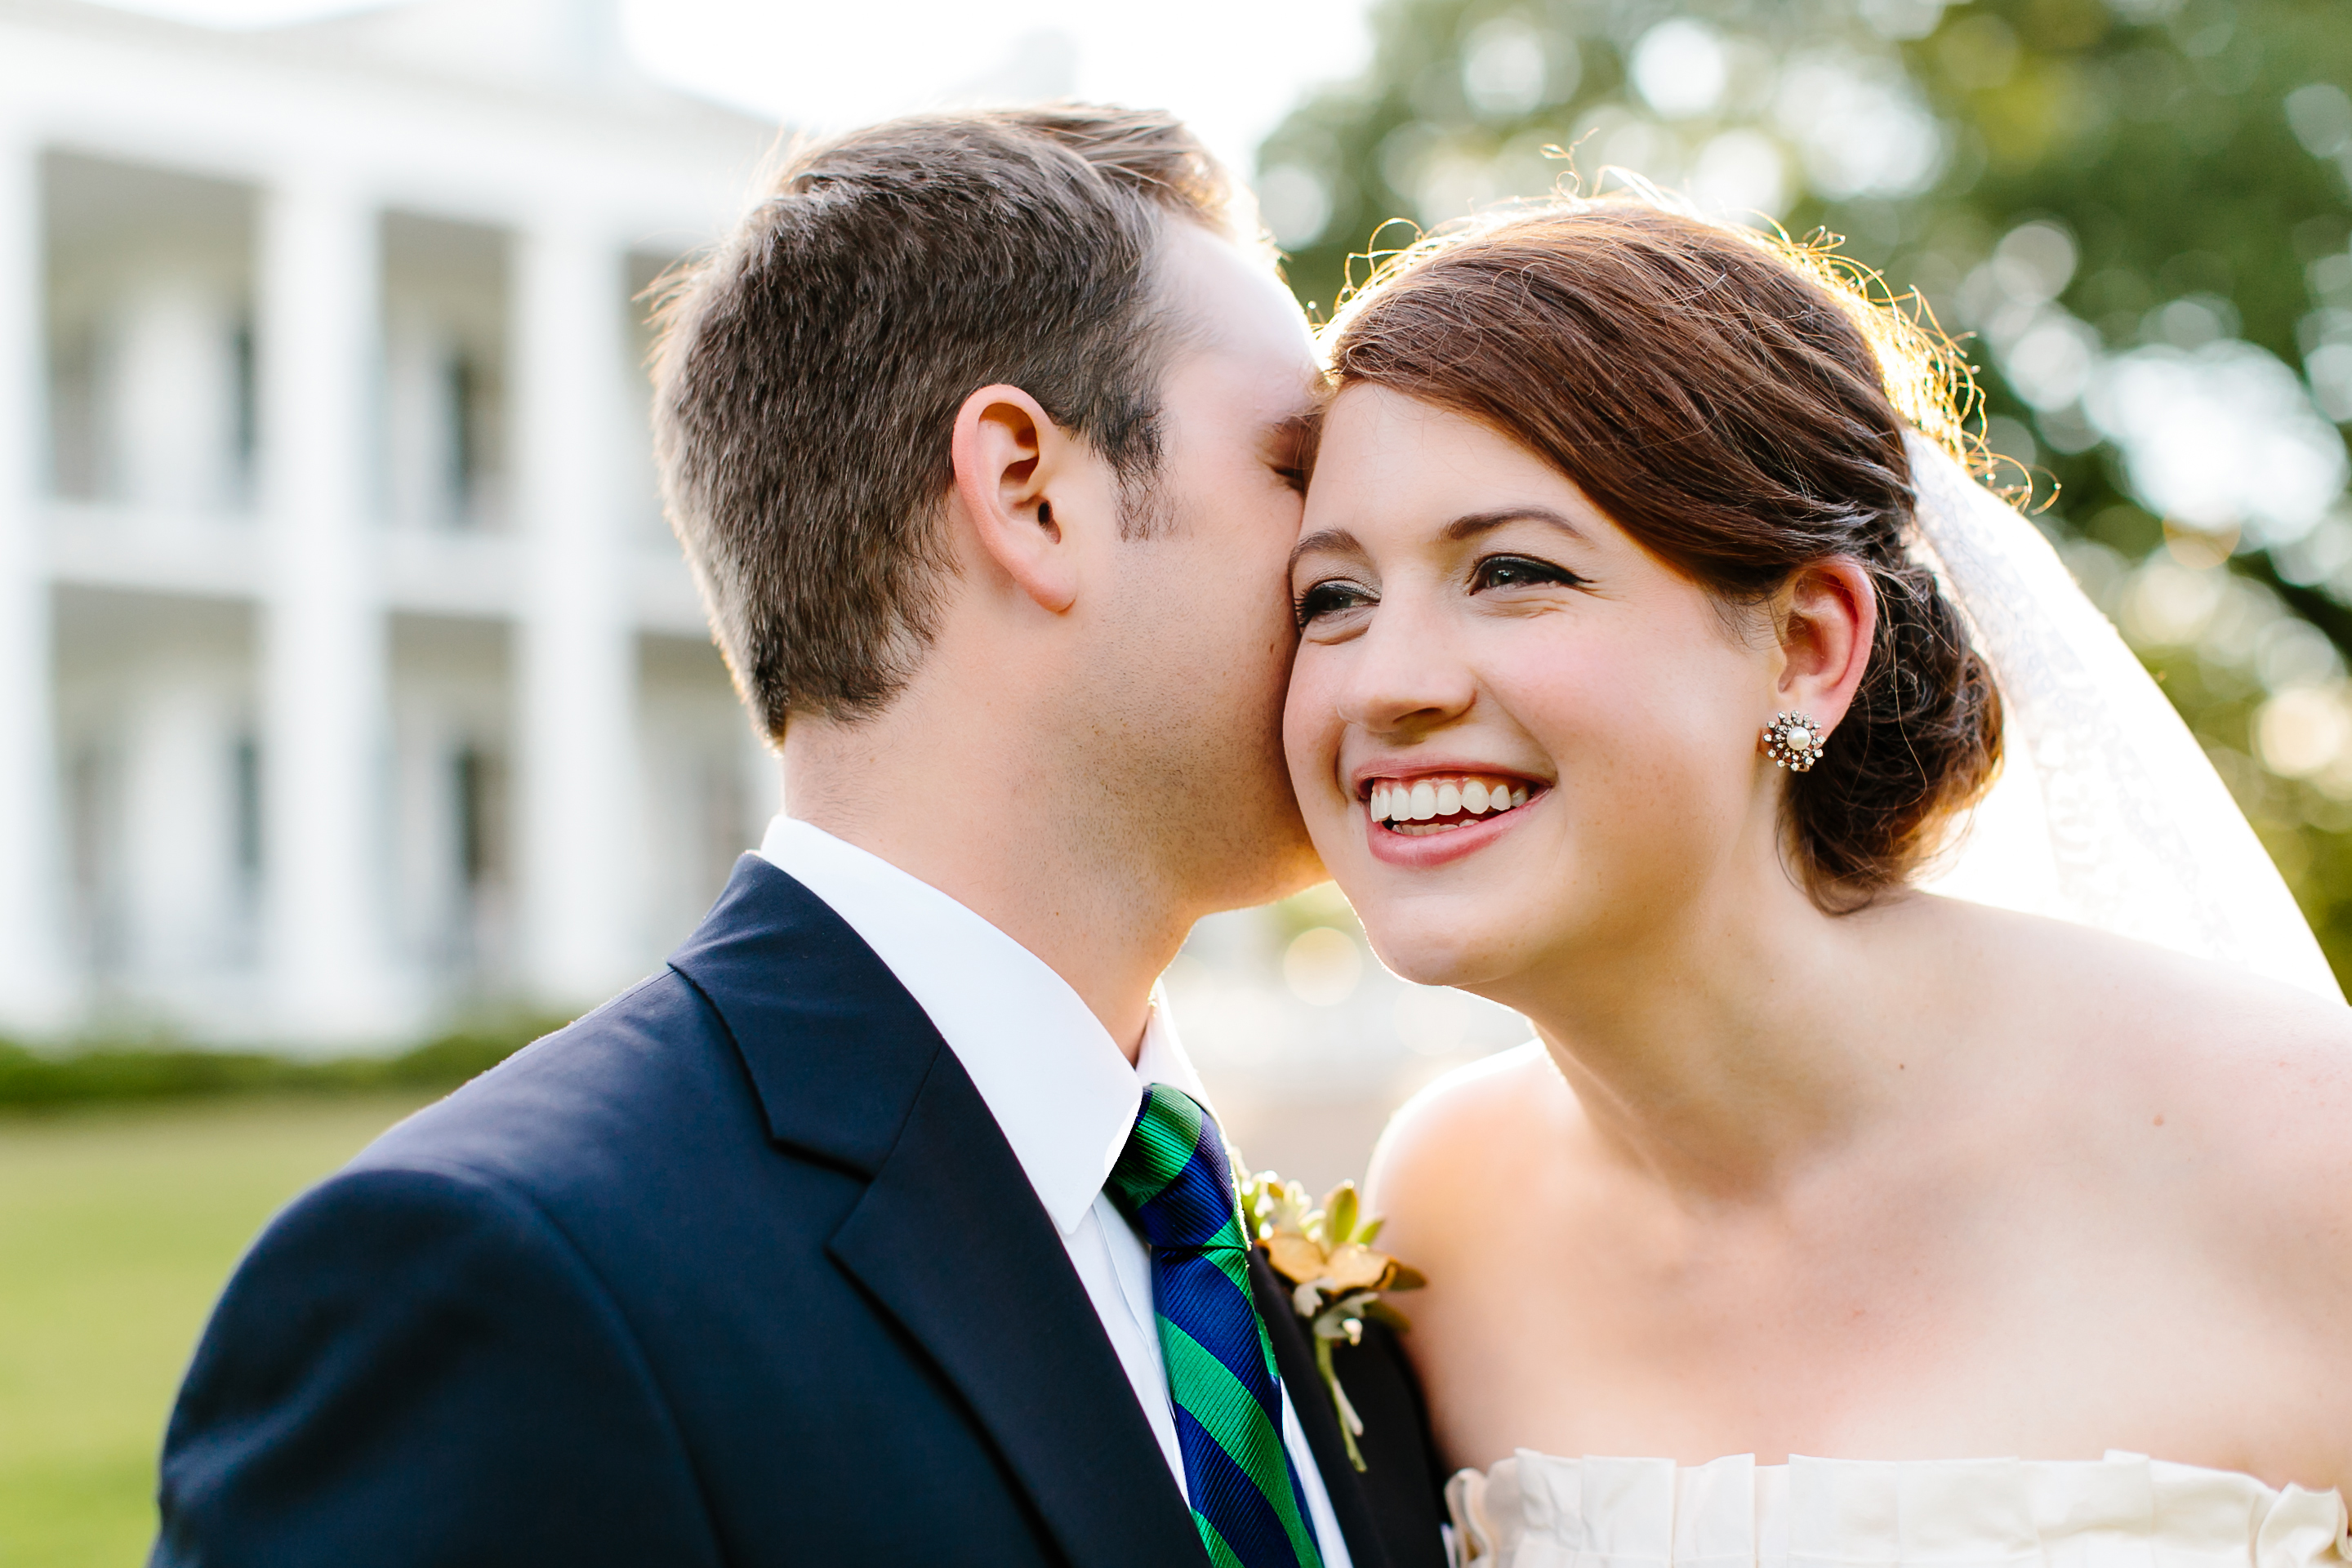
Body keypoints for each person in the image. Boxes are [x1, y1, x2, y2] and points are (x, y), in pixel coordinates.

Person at [150, 106, 1450, 1568]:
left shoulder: (1304, 1261)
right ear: (1029, 490)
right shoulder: (499, 1284)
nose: (1363, 570)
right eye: (1296, 470)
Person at [1281, 196, 2352, 1566]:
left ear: (1805, 647)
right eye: (1333, 597)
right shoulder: (1448, 1213)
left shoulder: (2309, 1152)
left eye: (1513, 571)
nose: (1390, 684)